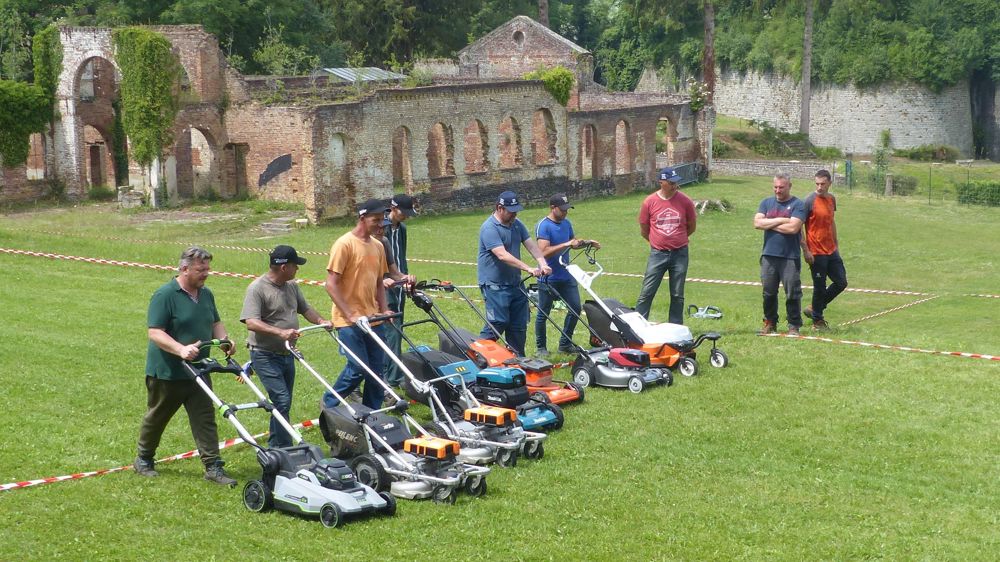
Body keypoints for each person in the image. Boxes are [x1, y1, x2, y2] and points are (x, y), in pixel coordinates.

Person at [133, 246, 237, 486]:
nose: (206, 273)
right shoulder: (165, 295)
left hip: (199, 371)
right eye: (201, 269)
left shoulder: (206, 294)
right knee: (157, 417)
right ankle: (144, 458)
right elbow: (155, 332)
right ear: (184, 269)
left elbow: (216, 322)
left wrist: (225, 341)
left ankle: (213, 467)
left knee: (205, 419)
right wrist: (180, 349)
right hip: (168, 372)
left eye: (208, 268)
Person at [241, 245, 331, 448]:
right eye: (295, 265)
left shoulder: (291, 286)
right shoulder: (257, 289)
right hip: (264, 355)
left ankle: (278, 445)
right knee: (281, 400)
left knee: (284, 401)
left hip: (287, 353)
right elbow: (251, 322)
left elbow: (305, 308)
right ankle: (282, 447)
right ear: (284, 267)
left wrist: (321, 321)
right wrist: (281, 333)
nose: (297, 269)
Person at [324, 199, 391, 410]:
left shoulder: (379, 246)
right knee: (359, 368)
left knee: (377, 373)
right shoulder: (344, 244)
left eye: (382, 220)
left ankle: (372, 414)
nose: (380, 225)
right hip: (348, 321)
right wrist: (350, 314)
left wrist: (384, 308)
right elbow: (331, 284)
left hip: (373, 319)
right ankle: (330, 404)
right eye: (376, 220)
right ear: (362, 219)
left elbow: (379, 282)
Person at [477, 190, 551, 357]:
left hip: (515, 284)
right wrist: (529, 268)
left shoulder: (517, 224)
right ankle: (477, 356)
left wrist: (542, 264)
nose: (514, 214)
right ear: (499, 208)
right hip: (494, 284)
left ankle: (518, 359)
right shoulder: (489, 228)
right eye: (511, 211)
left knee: (519, 326)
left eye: (516, 211)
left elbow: (532, 246)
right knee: (498, 322)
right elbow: (502, 255)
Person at [533, 193, 600, 356]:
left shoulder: (566, 223)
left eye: (567, 210)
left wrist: (586, 243)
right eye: (562, 210)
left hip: (566, 275)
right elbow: (543, 252)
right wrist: (566, 244)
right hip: (548, 278)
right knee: (544, 313)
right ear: (552, 208)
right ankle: (541, 348)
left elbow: (572, 243)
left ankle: (565, 344)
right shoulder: (544, 226)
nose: (565, 213)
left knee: (576, 308)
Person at [635, 167, 698, 324]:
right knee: (647, 291)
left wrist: (678, 239)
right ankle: (638, 326)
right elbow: (644, 229)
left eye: (676, 182)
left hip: (680, 253)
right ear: (662, 183)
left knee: (677, 293)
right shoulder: (649, 202)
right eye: (671, 182)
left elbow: (691, 226)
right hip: (658, 253)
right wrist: (657, 242)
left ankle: (675, 326)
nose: (675, 185)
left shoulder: (685, 201)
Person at [753, 172, 807, 336]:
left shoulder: (798, 204)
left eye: (781, 187)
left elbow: (793, 228)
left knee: (792, 292)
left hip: (790, 256)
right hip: (769, 255)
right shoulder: (766, 203)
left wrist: (768, 224)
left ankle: (794, 326)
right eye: (775, 187)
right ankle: (770, 323)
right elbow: (757, 223)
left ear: (789, 186)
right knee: (768, 292)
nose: (778, 190)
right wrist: (783, 220)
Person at [801, 170, 848, 330]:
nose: (819, 187)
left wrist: (836, 244)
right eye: (817, 184)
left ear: (829, 183)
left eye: (823, 184)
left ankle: (815, 308)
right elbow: (799, 224)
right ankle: (817, 322)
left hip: (831, 250)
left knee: (841, 282)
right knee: (819, 287)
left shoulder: (831, 199)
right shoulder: (809, 200)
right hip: (816, 251)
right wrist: (805, 250)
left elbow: (831, 222)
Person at [382, 194, 419, 387]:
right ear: (393, 208)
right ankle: (392, 379)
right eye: (403, 212)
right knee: (392, 332)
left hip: (398, 284)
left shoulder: (402, 229)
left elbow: (400, 256)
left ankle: (391, 375)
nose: (406, 216)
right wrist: (386, 279)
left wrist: (405, 277)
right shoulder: (380, 229)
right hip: (383, 285)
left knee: (398, 329)